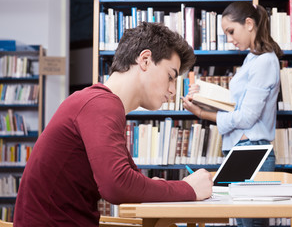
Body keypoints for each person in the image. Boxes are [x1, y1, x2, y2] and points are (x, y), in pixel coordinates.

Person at [14, 22, 213, 226]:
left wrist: (169, 186)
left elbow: (130, 179)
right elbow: (117, 185)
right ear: (145, 60)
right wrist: (188, 189)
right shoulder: (101, 105)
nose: (172, 90)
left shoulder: (99, 102)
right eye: (170, 76)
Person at [182, 2, 283, 227]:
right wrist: (206, 97)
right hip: (240, 151)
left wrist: (202, 113)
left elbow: (247, 117)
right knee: (241, 222)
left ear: (249, 24)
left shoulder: (265, 60)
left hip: (252, 151)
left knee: (250, 224)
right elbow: (237, 105)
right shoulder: (252, 59)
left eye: (231, 31)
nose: (229, 39)